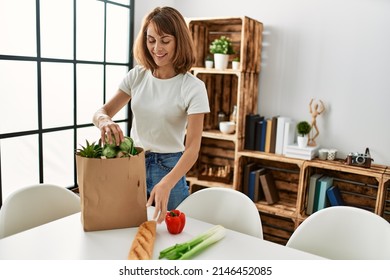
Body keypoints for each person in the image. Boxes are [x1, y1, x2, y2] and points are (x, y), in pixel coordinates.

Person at [92, 7, 210, 223]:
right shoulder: (138, 75)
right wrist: (104, 121)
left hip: (169, 167)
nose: (157, 48)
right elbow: (102, 111)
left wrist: (168, 181)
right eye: (151, 40)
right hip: (132, 163)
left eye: (165, 40)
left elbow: (193, 148)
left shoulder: (193, 87)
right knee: (127, 228)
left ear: (179, 41)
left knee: (170, 235)